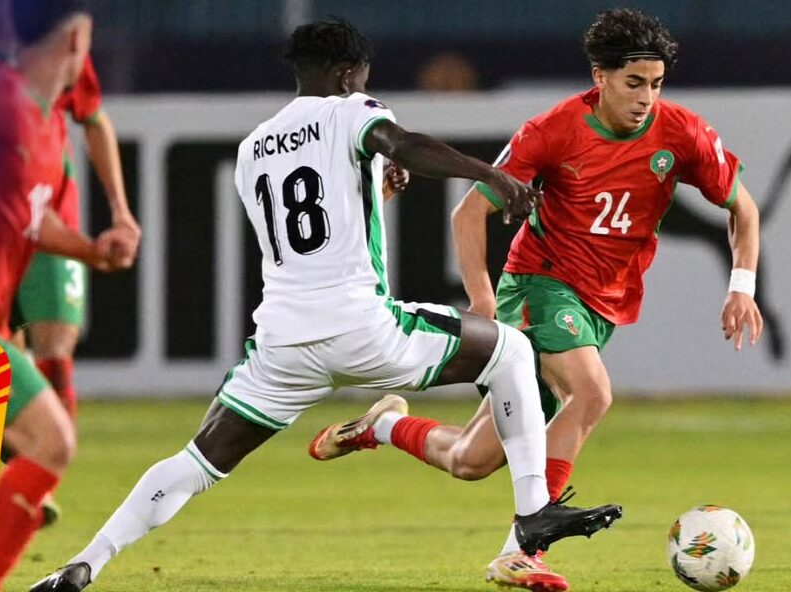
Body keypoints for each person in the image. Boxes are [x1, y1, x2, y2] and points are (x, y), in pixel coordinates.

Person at [30, 19, 622, 592]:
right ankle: (533, 513)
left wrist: (373, 192)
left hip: (283, 347)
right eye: (362, 78)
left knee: (196, 461)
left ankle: (85, 563)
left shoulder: (253, 148)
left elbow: (307, 233)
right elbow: (402, 144)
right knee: (511, 350)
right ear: (346, 75)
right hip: (363, 329)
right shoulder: (350, 110)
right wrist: (493, 176)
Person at [310, 8, 763, 591]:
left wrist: (741, 286)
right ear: (600, 77)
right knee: (591, 393)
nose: (646, 98)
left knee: (470, 460)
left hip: (601, 306)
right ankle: (524, 548)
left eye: (655, 84)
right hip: (539, 286)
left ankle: (383, 426)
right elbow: (469, 212)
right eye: (633, 83)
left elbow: (742, 209)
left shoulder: (682, 133)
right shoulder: (552, 131)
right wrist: (481, 302)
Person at [0, 1, 132, 588]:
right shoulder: (8, 110)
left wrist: (91, 250)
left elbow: (30, 216)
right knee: (49, 440)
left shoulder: (40, 121)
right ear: (77, 39)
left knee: (50, 440)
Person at [11, 53, 141, 422]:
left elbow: (94, 118)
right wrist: (91, 251)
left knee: (55, 368)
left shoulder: (59, 46)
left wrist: (120, 211)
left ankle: (47, 455)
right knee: (9, 378)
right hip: (13, 225)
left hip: (52, 220)